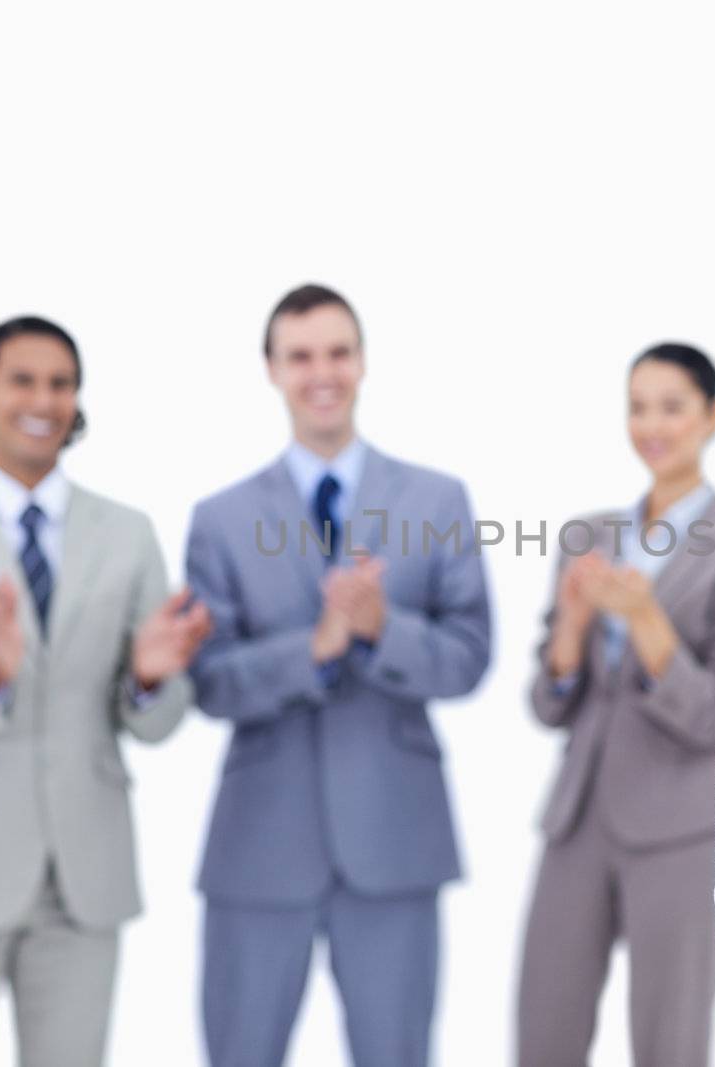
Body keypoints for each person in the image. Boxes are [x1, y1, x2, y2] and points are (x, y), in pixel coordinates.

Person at [0, 315, 211, 1067]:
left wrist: (149, 678)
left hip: (83, 877)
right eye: (23, 379)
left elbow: (157, 721)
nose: (44, 400)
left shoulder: (127, 533)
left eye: (62, 383)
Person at [184, 283, 492, 1067]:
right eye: (301, 356)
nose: (322, 372)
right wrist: (314, 647)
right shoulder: (219, 517)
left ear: (362, 362)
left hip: (394, 836)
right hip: (259, 844)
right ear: (272, 369)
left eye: (338, 352)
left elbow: (467, 657)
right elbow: (210, 682)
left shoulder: (436, 498)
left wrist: (382, 627)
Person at [516, 342, 715, 1067]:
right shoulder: (588, 537)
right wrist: (573, 630)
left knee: (668, 1042)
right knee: (542, 1030)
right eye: (639, 406)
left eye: (672, 406)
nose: (652, 424)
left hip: (681, 828)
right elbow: (548, 704)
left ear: (710, 416)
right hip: (578, 816)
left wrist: (646, 620)